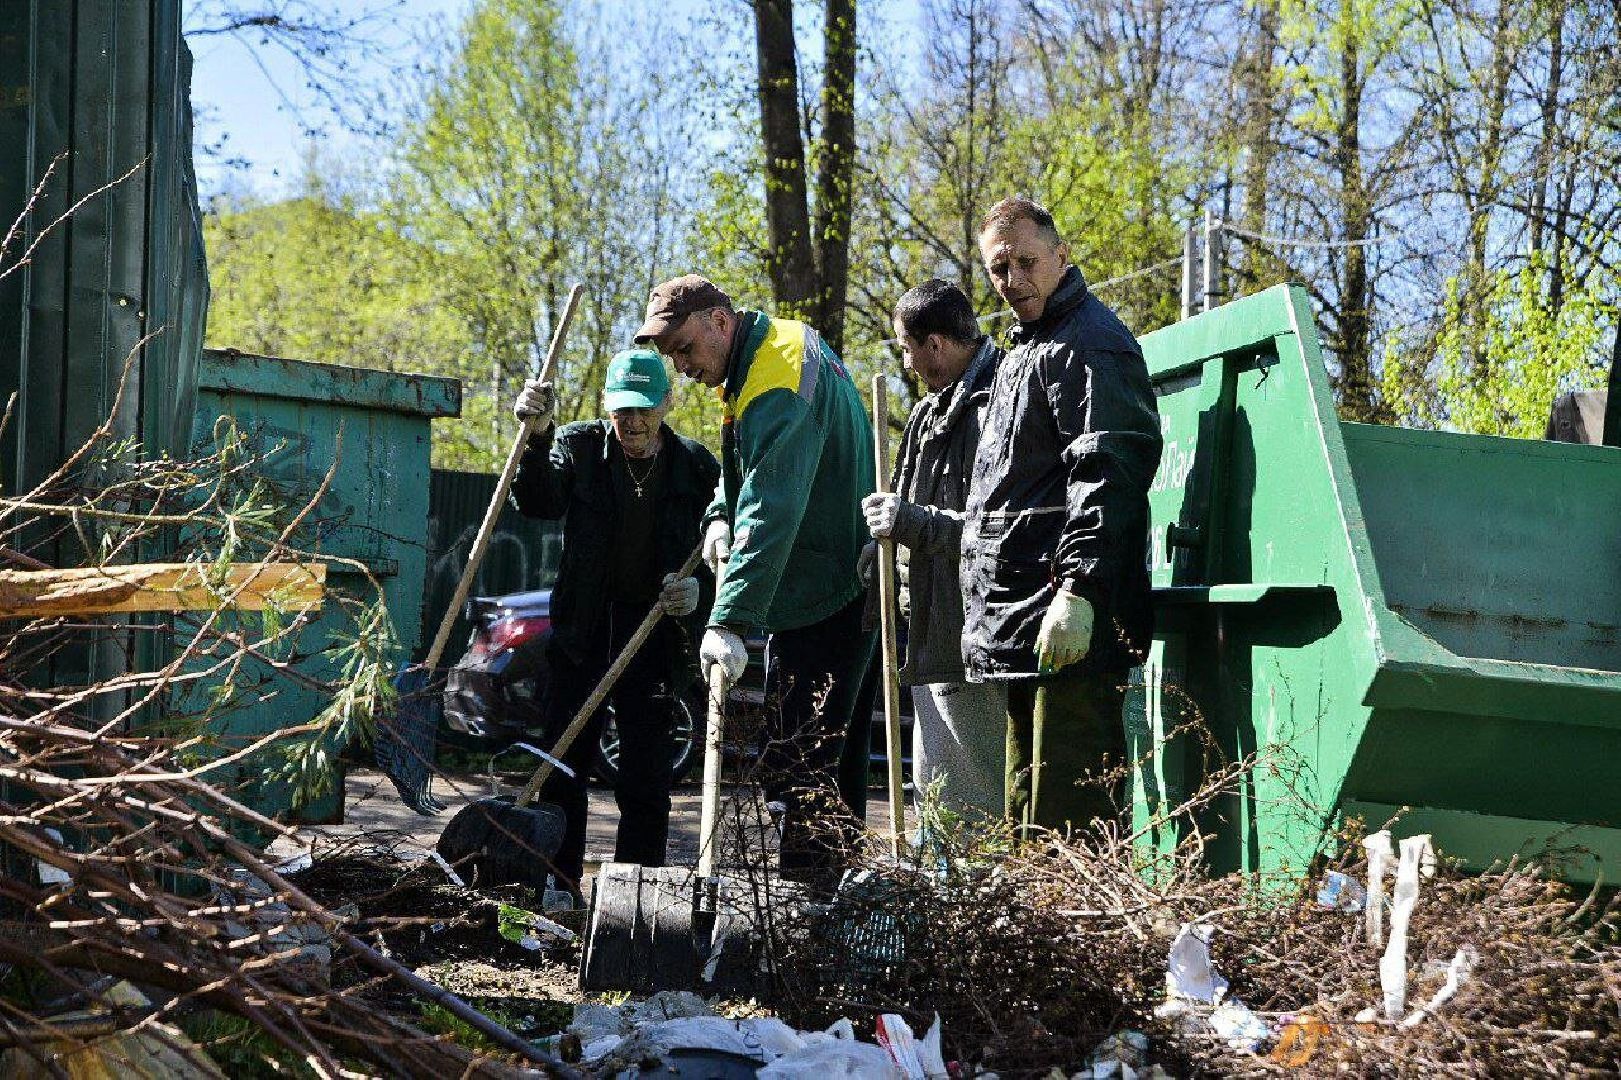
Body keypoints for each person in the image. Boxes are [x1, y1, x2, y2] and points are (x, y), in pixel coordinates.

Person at [636, 274, 875, 881]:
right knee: (819, 758)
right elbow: (747, 469)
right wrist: (719, 515)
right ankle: (825, 906)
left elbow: (773, 506)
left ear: (720, 320)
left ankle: (806, 911)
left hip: (830, 591)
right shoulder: (760, 356)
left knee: (807, 762)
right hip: (818, 585)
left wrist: (730, 619)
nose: (681, 366)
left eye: (685, 348)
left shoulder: (775, 379)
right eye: (670, 356)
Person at [962, 197, 1163, 839]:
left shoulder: (1092, 343)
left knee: (1068, 822)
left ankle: (1080, 942)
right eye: (999, 268)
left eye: (1027, 262)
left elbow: (1109, 471)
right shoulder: (1027, 348)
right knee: (1029, 814)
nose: (1013, 280)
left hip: (1072, 621)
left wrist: (1081, 589)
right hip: (1030, 624)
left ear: (1061, 257)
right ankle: (1043, 938)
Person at [508, 348, 720, 895]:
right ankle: (559, 887)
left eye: (644, 410)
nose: (633, 422)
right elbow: (536, 501)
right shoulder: (577, 447)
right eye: (622, 410)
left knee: (647, 778)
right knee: (563, 766)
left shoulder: (697, 468)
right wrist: (534, 436)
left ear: (668, 403)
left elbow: (727, 545)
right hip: (583, 631)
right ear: (606, 407)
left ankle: (638, 895)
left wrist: (700, 590)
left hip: (652, 635)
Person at [860, 279, 1005, 822]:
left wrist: (911, 523)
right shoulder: (929, 414)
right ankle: (943, 894)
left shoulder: (999, 402)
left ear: (936, 344)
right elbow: (898, 506)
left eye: (906, 346)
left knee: (968, 800)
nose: (906, 359)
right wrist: (875, 549)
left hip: (973, 637)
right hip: (927, 634)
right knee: (935, 787)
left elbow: (998, 530)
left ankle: (969, 900)